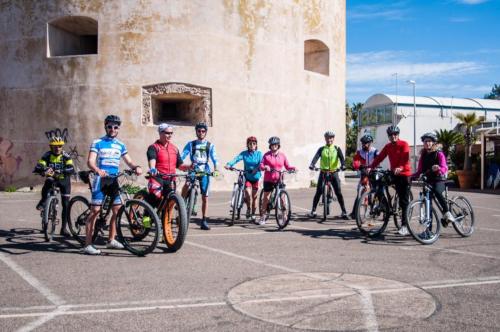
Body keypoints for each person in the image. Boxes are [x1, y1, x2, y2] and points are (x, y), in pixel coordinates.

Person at [83, 115, 142, 255]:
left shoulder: (120, 145)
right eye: (110, 126)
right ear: (105, 126)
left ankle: (111, 240)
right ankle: (87, 245)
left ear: (118, 129)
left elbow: (129, 161)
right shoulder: (97, 142)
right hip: (101, 180)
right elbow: (90, 161)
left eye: (116, 127)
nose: (113, 129)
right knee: (95, 211)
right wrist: (97, 170)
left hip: (114, 180)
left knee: (117, 210)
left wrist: (136, 167)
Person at [368, 125, 411, 235]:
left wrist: (400, 167)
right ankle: (384, 205)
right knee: (380, 182)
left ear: (398, 135)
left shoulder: (404, 144)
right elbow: (380, 157)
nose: (393, 136)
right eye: (391, 135)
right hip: (394, 173)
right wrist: (371, 166)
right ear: (388, 136)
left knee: (403, 201)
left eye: (395, 134)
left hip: (404, 174)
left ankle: (404, 225)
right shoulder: (388, 146)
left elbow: (405, 159)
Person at [34, 136, 75, 236]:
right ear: (51, 147)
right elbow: (40, 164)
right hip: (53, 179)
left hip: (64, 181)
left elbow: (71, 168)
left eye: (59, 146)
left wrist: (63, 170)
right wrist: (42, 169)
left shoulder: (66, 156)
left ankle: (63, 229)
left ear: (62, 147)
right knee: (47, 183)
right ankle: (43, 202)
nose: (57, 148)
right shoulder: (47, 155)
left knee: (66, 205)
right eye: (55, 146)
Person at [181, 122, 219, 230]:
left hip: (204, 169)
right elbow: (182, 155)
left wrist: (216, 169)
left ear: (205, 132)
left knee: (205, 197)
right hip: (193, 168)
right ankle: (181, 201)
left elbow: (215, 159)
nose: (201, 133)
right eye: (199, 131)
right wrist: (180, 164)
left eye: (203, 131)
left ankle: (204, 220)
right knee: (187, 183)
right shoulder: (191, 144)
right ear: (196, 131)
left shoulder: (210, 145)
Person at [412, 132, 455, 224]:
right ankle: (429, 231)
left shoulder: (438, 154)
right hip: (428, 182)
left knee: (437, 191)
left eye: (429, 141)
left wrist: (439, 168)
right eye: (425, 141)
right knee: (428, 204)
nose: (427, 143)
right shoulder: (423, 155)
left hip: (439, 180)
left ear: (433, 143)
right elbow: (419, 171)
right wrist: (411, 176)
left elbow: (444, 167)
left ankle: (447, 213)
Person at [145, 123, 188, 208]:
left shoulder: (174, 149)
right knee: (155, 197)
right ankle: (147, 217)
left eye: (171, 133)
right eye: (167, 133)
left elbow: (180, 165)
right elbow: (152, 159)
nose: (170, 135)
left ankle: (164, 220)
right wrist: (153, 169)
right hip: (157, 177)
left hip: (170, 179)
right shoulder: (153, 147)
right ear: (160, 133)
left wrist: (190, 166)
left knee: (170, 201)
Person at [308, 131, 349, 220]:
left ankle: (344, 212)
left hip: (334, 172)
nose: (329, 139)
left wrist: (343, 165)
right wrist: (312, 164)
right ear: (325, 139)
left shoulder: (337, 148)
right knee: (318, 191)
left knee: (338, 192)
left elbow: (342, 159)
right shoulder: (322, 149)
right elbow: (316, 157)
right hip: (323, 172)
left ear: (333, 139)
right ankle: (313, 211)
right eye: (327, 138)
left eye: (331, 138)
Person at [258, 136, 296, 225]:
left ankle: (285, 217)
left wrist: (293, 168)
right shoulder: (266, 155)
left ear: (278, 145)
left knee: (283, 198)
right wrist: (265, 167)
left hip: (279, 179)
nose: (274, 146)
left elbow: (287, 166)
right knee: (266, 198)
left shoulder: (282, 156)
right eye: (272, 145)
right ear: (270, 146)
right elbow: (261, 165)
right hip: (269, 179)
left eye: (275, 144)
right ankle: (262, 217)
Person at [225, 136, 263, 220]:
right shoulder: (244, 153)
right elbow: (236, 159)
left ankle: (253, 214)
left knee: (254, 196)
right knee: (248, 194)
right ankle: (249, 209)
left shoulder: (259, 154)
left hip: (257, 178)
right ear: (247, 145)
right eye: (250, 143)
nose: (252, 145)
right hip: (248, 177)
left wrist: (256, 169)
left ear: (256, 145)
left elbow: (261, 163)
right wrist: (229, 164)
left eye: (254, 143)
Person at [349, 134, 378, 219]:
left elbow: (378, 159)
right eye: (362, 143)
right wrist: (356, 166)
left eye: (365, 143)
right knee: (359, 193)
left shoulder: (375, 151)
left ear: (370, 143)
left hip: (373, 172)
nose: (363, 145)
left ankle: (382, 209)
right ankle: (354, 213)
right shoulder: (359, 152)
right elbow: (356, 161)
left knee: (378, 190)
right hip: (364, 173)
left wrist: (373, 166)